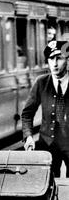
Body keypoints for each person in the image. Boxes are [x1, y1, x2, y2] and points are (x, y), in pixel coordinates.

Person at [22, 40, 69, 178]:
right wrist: (28, 136)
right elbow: (27, 114)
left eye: (59, 58)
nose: (54, 63)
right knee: (47, 185)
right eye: (51, 59)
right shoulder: (41, 83)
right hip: (48, 145)